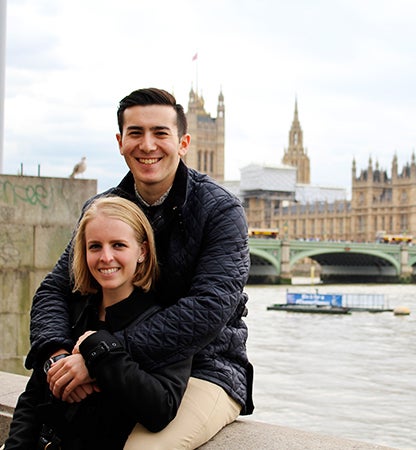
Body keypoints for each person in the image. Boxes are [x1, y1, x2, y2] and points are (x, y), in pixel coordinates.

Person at [21, 88, 253, 448]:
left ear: (184, 143)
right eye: (135, 133)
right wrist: (57, 355)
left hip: (206, 367)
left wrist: (101, 355)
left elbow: (209, 309)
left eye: (160, 133)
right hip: (118, 364)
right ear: (120, 142)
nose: (148, 145)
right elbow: (55, 289)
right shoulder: (102, 208)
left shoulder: (221, 211)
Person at [4, 196, 193, 449]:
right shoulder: (73, 310)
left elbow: (159, 408)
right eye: (95, 246)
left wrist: (99, 349)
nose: (106, 257)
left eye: (118, 245)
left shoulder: (163, 321)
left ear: (142, 251)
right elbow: (32, 399)